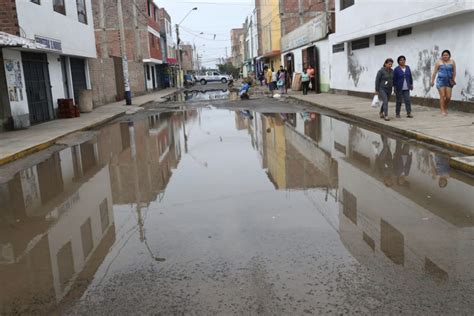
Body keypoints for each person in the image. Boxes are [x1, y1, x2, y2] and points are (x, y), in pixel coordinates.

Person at [431, 50, 456, 116]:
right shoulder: (439, 62)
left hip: (449, 81)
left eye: (446, 55)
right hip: (440, 81)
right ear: (442, 56)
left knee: (448, 97)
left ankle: (444, 107)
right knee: (442, 96)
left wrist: (453, 79)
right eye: (444, 55)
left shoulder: (452, 62)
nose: (445, 56)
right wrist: (432, 81)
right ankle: (442, 110)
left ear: (449, 56)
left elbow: (454, 72)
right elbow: (434, 73)